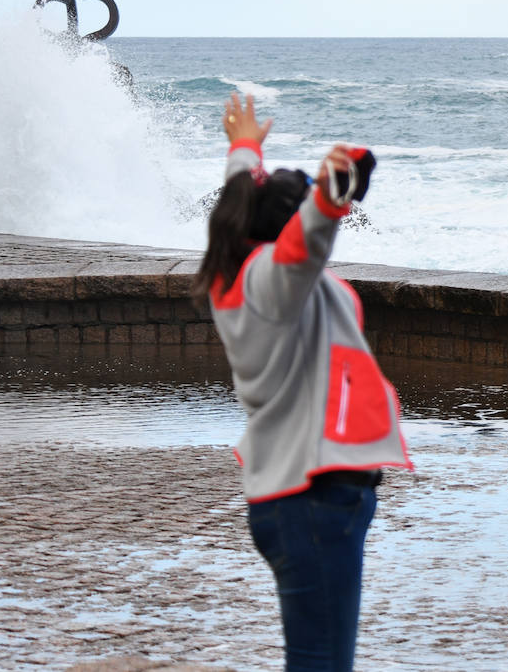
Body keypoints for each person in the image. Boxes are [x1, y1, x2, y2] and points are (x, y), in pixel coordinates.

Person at [192, 93, 412, 672]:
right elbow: (310, 233)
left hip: (297, 494)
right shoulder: (274, 282)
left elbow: (244, 200)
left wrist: (244, 148)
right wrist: (339, 177)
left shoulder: (231, 273)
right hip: (314, 497)